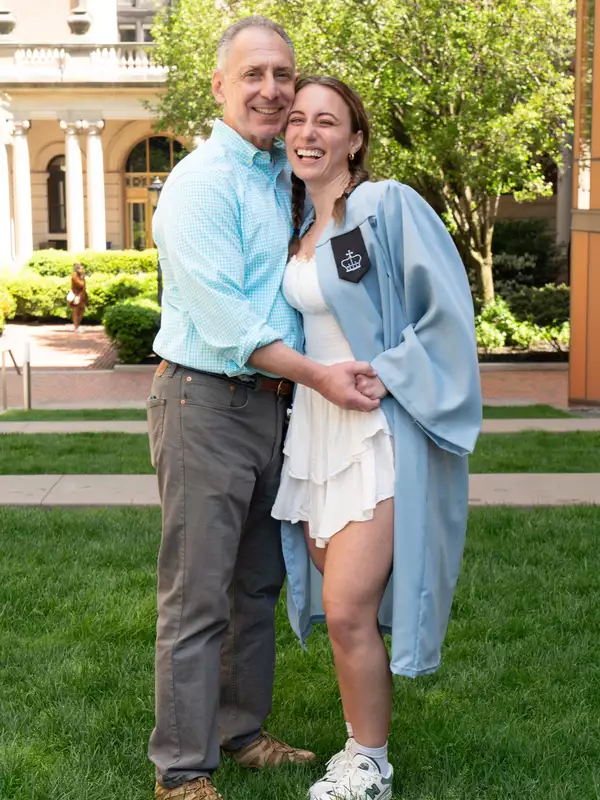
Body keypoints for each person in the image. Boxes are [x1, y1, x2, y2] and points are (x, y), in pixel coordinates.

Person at [147, 20, 379, 800]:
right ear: (219, 86)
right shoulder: (201, 183)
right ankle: (182, 769)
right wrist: (322, 377)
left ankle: (240, 730)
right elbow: (230, 327)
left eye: (283, 74)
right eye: (254, 74)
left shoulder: (281, 174)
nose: (273, 89)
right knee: (198, 591)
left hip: (273, 406)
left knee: (255, 584)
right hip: (205, 400)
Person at [272, 76, 483, 800]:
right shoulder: (299, 229)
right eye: (297, 119)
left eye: (326, 121)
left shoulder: (383, 207)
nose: (308, 132)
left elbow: (447, 313)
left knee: (350, 606)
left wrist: (388, 374)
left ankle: (371, 766)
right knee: (342, 614)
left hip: (374, 426)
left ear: (355, 139)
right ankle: (357, 746)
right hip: (317, 430)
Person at [67, 263, 87, 331]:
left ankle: (77, 325)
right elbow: (81, 284)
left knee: (81, 311)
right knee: (76, 311)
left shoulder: (79, 276)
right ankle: (76, 326)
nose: (83, 270)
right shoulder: (74, 276)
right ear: (77, 269)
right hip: (77, 295)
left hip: (81, 296)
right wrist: (82, 277)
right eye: (82, 269)